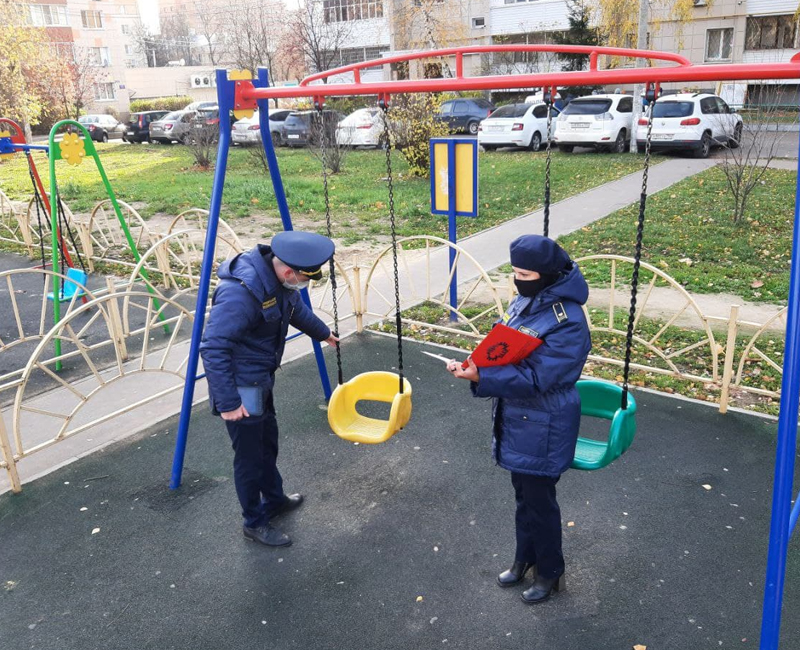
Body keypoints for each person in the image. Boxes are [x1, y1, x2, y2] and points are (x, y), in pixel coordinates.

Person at [447, 235, 591, 604]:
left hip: (545, 421)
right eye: (514, 272)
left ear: (546, 274)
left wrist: (482, 378)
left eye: (524, 273)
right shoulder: (527, 299)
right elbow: (504, 343)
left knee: (540, 502)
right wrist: (475, 363)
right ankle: (523, 558)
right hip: (518, 417)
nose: (518, 279)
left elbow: (538, 378)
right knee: (522, 496)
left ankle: (550, 571)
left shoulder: (568, 320)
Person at [200, 231, 338, 548]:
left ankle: (274, 499)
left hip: (260, 377)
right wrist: (229, 403)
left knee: (267, 442)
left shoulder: (277, 279)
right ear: (289, 272)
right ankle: (254, 522)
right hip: (241, 385)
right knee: (249, 457)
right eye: (305, 279)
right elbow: (213, 348)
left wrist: (323, 333)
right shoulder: (241, 293)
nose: (304, 284)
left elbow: (294, 310)